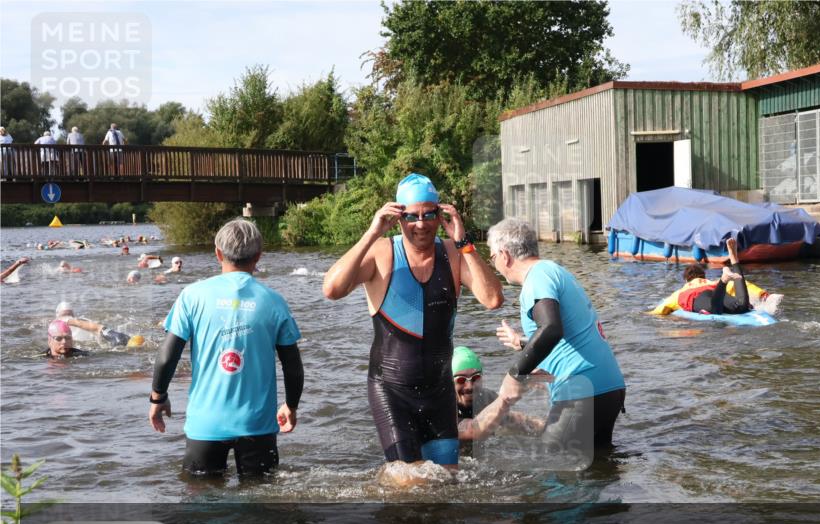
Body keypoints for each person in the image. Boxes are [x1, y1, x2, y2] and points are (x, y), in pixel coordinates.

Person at [322, 173, 503, 470]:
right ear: (399, 217)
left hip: (440, 392)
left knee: (446, 483)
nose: (421, 223)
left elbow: (493, 299)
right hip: (392, 391)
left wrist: (464, 242)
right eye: (412, 216)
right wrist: (371, 233)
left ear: (439, 213)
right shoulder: (382, 253)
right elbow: (332, 290)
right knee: (408, 482)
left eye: (429, 213)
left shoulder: (453, 254)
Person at [149, 218, 304, 477]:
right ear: (258, 256)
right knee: (262, 504)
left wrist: (158, 397)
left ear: (218, 253)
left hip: (205, 424)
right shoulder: (274, 302)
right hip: (257, 425)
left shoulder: (192, 295)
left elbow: (167, 356)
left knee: (201, 502)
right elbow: (293, 366)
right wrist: (291, 404)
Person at [488, 219, 626, 456]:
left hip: (582, 391)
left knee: (550, 469)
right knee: (599, 469)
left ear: (504, 255)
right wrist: (522, 342)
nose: (495, 265)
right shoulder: (553, 270)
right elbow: (568, 333)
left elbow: (551, 329)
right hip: (608, 387)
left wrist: (515, 374)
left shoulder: (536, 278)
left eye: (492, 258)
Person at [649, 238, 771, 316]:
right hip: (716, 289)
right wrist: (762, 294)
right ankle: (734, 261)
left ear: (686, 280)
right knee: (742, 306)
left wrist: (648, 314)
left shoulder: (682, 291)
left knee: (715, 310)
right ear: (703, 276)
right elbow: (745, 285)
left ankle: (724, 279)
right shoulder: (710, 282)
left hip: (699, 296)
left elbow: (662, 308)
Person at [452, 345, 543, 443]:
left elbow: (512, 420)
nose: (469, 386)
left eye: (475, 378)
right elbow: (472, 431)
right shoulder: (441, 407)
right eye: (461, 380)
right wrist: (505, 398)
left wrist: (549, 428)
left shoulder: (486, 397)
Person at [55, 301, 130, 346]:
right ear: (57, 317)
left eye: (69, 315)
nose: (67, 317)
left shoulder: (80, 321)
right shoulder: (55, 326)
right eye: (64, 315)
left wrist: (111, 333)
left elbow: (96, 327)